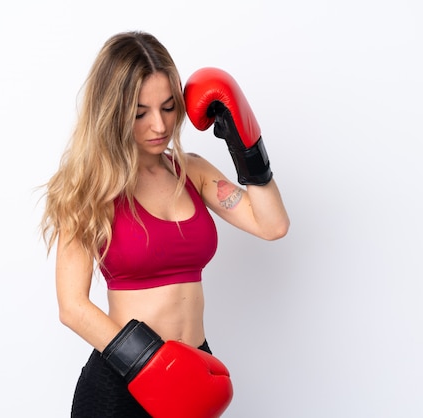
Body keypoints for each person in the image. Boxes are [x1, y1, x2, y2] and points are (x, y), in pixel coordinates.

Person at [41, 31, 290, 418]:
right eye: (140, 112)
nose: (158, 125)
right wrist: (151, 365)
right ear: (113, 111)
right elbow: (72, 306)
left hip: (194, 372)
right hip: (124, 380)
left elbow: (272, 225)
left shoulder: (191, 171)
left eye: (169, 107)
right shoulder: (89, 188)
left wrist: (246, 148)